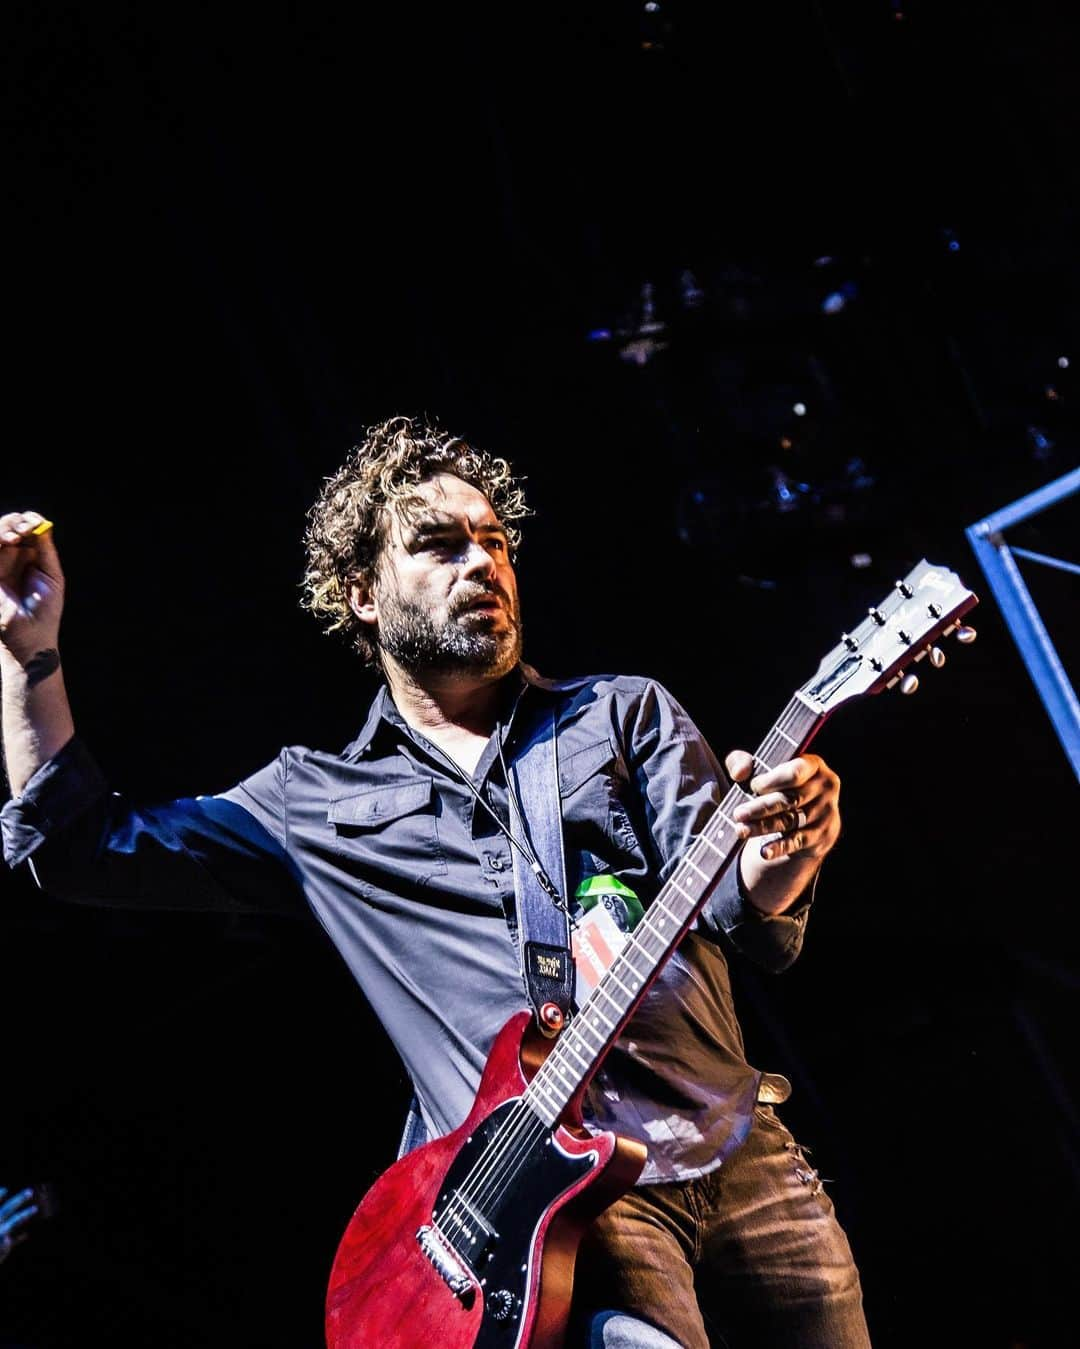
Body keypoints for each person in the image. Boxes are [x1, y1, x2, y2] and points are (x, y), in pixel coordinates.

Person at [0, 415, 869, 1347]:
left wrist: (785, 850)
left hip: (741, 1151)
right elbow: (81, 847)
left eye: (495, 540)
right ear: (361, 593)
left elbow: (743, 902)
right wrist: (26, 656)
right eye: (441, 544)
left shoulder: (622, 714)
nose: (484, 563)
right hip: (559, 1198)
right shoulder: (317, 800)